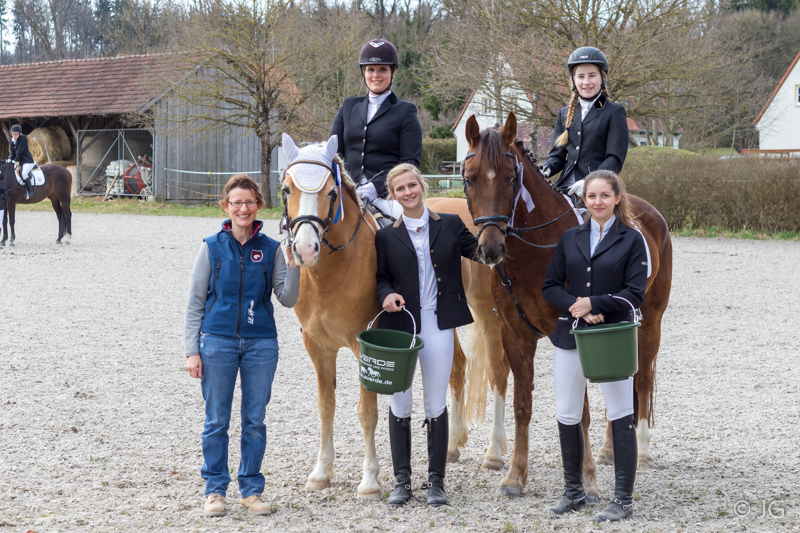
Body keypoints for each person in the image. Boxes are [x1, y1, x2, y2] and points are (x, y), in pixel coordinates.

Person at [184, 175, 300, 517]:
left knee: (255, 420)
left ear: (258, 205)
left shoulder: (272, 249)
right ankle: (215, 490)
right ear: (226, 206)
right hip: (216, 342)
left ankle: (251, 490)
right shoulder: (211, 247)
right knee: (216, 420)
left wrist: (294, 266)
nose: (243, 208)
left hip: (260, 344)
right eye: (236, 202)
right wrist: (192, 350)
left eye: (249, 202)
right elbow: (195, 302)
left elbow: (288, 299)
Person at [542, 170, 647, 522]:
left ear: (617, 198)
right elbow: (550, 286)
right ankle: (574, 491)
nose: (598, 202)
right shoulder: (569, 236)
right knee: (567, 411)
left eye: (604, 195)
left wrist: (595, 303)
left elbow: (635, 294)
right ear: (584, 200)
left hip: (612, 334)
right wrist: (579, 307)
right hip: (571, 331)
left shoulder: (632, 239)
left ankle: (623, 499)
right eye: (591, 196)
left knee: (620, 411)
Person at [375, 163, 478, 507]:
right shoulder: (385, 236)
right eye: (400, 189)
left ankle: (436, 482)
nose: (408, 192)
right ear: (393, 195)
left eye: (412, 185)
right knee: (399, 402)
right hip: (400, 325)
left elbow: (482, 252)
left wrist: (499, 229)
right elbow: (381, 279)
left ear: (422, 185)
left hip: (438, 322)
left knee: (436, 402)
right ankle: (402, 482)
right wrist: (386, 294)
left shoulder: (450, 224)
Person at [329, 38, 422, 220]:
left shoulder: (405, 111)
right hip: (346, 191)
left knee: (407, 227)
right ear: (363, 72)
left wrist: (377, 187)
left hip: (387, 196)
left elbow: (410, 162)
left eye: (383, 69)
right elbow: (331, 153)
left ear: (393, 72)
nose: (375, 75)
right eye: (370, 69)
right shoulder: (348, 107)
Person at [541, 47, 629, 203]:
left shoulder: (614, 112)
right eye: (581, 76)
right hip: (564, 187)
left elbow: (614, 159)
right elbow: (557, 156)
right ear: (574, 80)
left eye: (592, 75)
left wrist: (591, 182)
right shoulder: (563, 114)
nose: (586, 82)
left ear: (602, 78)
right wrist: (544, 169)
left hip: (598, 191)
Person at [8, 125, 35, 199]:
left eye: (16, 134)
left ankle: (30, 192)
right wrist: (10, 159)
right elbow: (12, 153)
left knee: (24, 173)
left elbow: (19, 151)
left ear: (19, 133)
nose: (14, 136)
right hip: (19, 161)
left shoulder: (23, 138)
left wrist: (16, 161)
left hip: (27, 161)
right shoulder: (11, 140)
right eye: (13, 134)